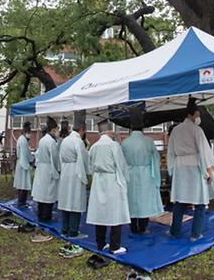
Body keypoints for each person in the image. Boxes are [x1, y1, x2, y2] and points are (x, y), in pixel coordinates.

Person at [167, 100, 214, 241]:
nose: (198, 117)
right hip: (195, 165)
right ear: (192, 115)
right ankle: (195, 234)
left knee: (180, 200)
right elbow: (205, 152)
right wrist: (209, 170)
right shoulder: (196, 130)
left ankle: (174, 231)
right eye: (198, 114)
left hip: (180, 165)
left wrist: (171, 170)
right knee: (199, 201)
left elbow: (170, 152)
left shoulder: (175, 130)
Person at [87, 119, 130, 255]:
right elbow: (121, 164)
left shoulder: (94, 146)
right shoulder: (113, 145)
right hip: (112, 179)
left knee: (100, 213)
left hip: (99, 180)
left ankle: (100, 243)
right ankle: (114, 245)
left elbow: (89, 165)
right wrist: (125, 180)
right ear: (110, 131)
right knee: (114, 213)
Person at [121, 107, 163, 235]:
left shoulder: (125, 143)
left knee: (131, 199)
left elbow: (121, 161)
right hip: (145, 173)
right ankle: (143, 227)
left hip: (129, 173)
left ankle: (133, 226)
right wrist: (156, 177)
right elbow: (156, 159)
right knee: (144, 200)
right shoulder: (148, 141)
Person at [58, 111, 90, 258]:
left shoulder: (65, 140)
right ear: (82, 130)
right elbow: (83, 160)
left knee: (65, 201)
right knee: (75, 202)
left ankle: (64, 228)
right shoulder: (78, 142)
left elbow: (60, 157)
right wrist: (88, 173)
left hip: (65, 171)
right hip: (76, 172)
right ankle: (73, 231)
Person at [32, 117, 60, 223]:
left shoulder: (43, 140)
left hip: (41, 169)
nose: (57, 132)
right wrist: (57, 170)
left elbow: (38, 155)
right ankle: (46, 216)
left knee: (42, 194)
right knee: (48, 195)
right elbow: (55, 158)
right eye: (57, 130)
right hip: (48, 169)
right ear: (53, 130)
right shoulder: (51, 142)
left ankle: (40, 214)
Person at [14, 122, 35, 207]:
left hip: (21, 163)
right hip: (23, 163)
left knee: (21, 184)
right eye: (29, 133)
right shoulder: (23, 140)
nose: (30, 135)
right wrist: (32, 161)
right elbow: (26, 153)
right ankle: (22, 202)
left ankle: (21, 201)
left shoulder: (21, 139)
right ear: (26, 132)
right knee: (23, 184)